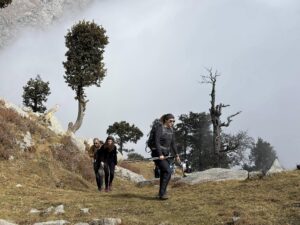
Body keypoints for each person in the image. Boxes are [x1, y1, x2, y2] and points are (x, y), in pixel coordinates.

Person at [151, 113, 180, 200]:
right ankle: (162, 193)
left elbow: (173, 143)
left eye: (174, 121)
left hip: (166, 154)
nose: (172, 123)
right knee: (168, 170)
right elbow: (156, 142)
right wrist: (160, 154)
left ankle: (161, 193)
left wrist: (176, 155)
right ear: (166, 120)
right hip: (157, 153)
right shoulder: (160, 128)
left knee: (166, 173)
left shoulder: (171, 130)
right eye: (171, 121)